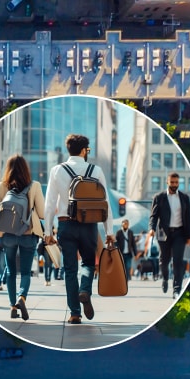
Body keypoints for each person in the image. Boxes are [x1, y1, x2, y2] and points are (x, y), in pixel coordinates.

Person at [44, 134, 114, 324]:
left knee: (69, 269)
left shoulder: (57, 170)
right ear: (84, 150)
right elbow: (105, 203)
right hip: (89, 225)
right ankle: (85, 290)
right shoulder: (96, 170)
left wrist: (48, 232)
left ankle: (75, 313)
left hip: (66, 224)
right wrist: (109, 232)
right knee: (89, 263)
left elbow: (50, 203)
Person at [0, 155, 46, 321]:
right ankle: (22, 297)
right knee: (25, 272)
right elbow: (41, 213)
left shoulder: (2, 186)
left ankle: (13, 306)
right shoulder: (35, 186)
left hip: (8, 235)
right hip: (28, 234)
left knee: (11, 271)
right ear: (26, 169)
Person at [149, 172, 190, 299]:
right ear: (167, 182)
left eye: (176, 182)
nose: (174, 185)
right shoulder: (159, 197)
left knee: (178, 261)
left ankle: (176, 289)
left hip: (180, 233)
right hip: (164, 234)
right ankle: (165, 279)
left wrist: (189, 236)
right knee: (164, 261)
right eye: (172, 182)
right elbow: (154, 216)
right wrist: (151, 228)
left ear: (179, 183)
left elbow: (188, 218)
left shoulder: (185, 198)